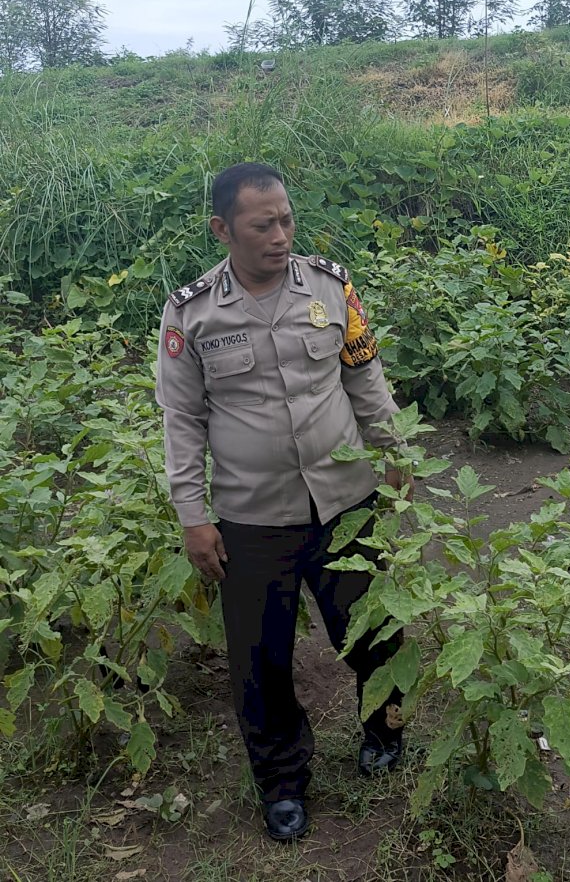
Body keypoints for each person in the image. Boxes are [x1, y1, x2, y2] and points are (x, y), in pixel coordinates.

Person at [156, 163, 406, 842]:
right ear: (222, 229)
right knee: (260, 658)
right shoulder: (191, 313)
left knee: (372, 631)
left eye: (287, 220)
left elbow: (365, 375)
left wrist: (396, 454)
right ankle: (282, 781)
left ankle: (384, 731)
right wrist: (193, 515)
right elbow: (182, 420)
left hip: (346, 501)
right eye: (262, 225)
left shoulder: (330, 286)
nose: (280, 236)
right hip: (253, 516)